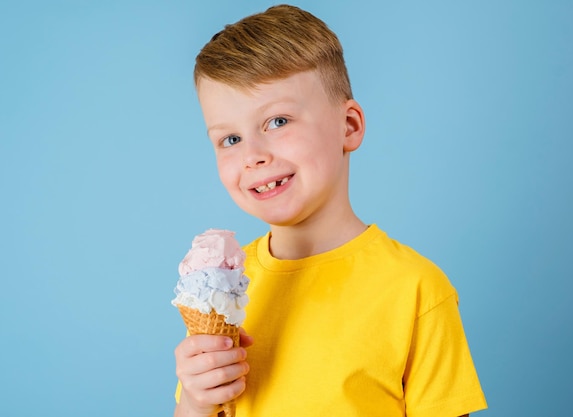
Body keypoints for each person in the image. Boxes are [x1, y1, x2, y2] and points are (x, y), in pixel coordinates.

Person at [173, 4, 487, 417]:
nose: (253, 155)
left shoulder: (415, 290)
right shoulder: (223, 289)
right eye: (230, 139)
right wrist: (196, 401)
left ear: (349, 126)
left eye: (278, 121)